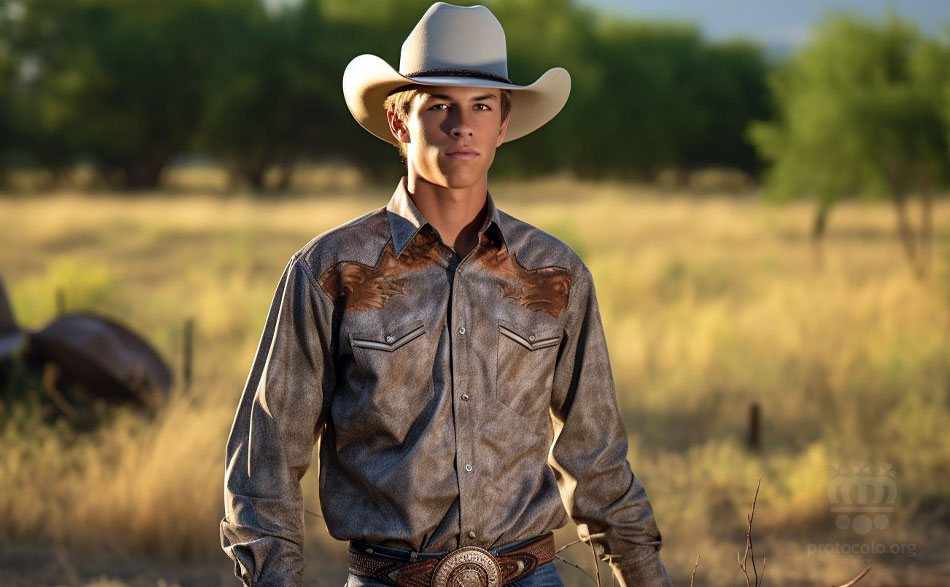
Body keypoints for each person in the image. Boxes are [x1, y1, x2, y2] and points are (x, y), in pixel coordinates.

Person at [220, 3, 672, 586]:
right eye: (440, 106)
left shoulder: (555, 274)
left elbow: (598, 460)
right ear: (399, 123)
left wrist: (647, 577)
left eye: (481, 106)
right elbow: (266, 462)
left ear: (503, 124)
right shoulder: (330, 272)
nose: (463, 125)